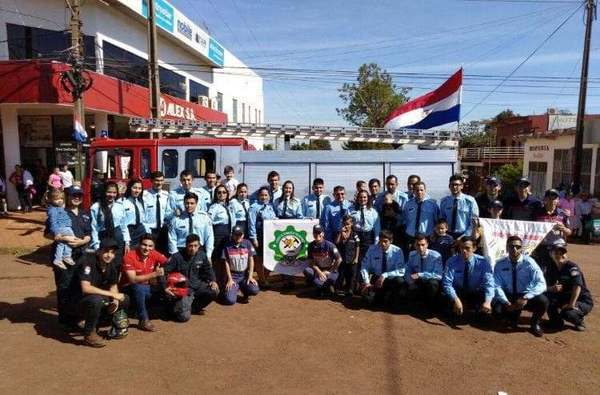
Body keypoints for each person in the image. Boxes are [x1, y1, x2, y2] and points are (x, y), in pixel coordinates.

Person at [76, 238, 130, 347]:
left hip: (99, 298)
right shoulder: (88, 262)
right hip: (80, 301)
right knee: (97, 300)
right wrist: (112, 295)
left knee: (124, 298)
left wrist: (115, 300)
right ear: (99, 251)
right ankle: (89, 333)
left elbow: (113, 286)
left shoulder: (111, 265)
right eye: (106, 251)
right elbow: (86, 288)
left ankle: (115, 327)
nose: (109, 255)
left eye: (112, 252)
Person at [50, 186, 91, 329]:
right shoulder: (59, 211)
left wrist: (83, 241)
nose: (77, 197)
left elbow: (88, 233)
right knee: (64, 287)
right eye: (74, 195)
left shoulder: (85, 213)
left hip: (81, 255)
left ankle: (78, 317)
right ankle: (65, 320)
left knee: (79, 286)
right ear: (67, 196)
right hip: (63, 257)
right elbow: (47, 233)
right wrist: (62, 238)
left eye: (79, 195)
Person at [492, 236, 548, 337]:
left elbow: (541, 284)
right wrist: (505, 302)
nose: (514, 249)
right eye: (511, 246)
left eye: (518, 247)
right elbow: (497, 286)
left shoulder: (530, 263)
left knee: (543, 301)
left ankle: (535, 323)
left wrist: (526, 297)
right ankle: (511, 317)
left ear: (522, 248)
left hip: (525, 296)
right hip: (508, 296)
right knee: (496, 311)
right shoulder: (499, 264)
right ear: (506, 247)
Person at [161, 234, 219, 322]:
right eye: (190, 246)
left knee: (214, 290)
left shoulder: (202, 255)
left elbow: (208, 270)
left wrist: (213, 280)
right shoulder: (177, 257)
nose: (193, 248)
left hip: (197, 285)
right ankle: (174, 308)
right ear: (186, 245)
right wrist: (165, 287)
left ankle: (194, 308)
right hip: (183, 290)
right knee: (184, 317)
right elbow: (163, 272)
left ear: (199, 246)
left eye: (195, 246)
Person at [121, 234, 167, 332]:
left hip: (147, 287)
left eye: (150, 246)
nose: (147, 248)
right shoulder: (129, 256)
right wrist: (154, 274)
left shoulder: (154, 253)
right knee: (139, 287)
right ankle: (143, 320)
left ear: (153, 247)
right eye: (144, 245)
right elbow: (132, 279)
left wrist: (164, 270)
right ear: (139, 245)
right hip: (128, 289)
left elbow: (168, 263)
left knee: (166, 288)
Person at [544, 240, 593, 331]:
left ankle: (578, 320)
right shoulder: (550, 267)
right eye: (556, 253)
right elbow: (543, 285)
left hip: (581, 300)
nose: (560, 255)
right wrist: (551, 288)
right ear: (551, 254)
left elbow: (577, 286)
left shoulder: (572, 267)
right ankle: (556, 322)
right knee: (546, 297)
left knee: (568, 313)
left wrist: (571, 304)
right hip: (563, 297)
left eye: (563, 253)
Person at [442, 237, 494, 321]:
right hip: (458, 292)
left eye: (467, 248)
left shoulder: (483, 262)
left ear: (474, 248)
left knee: (487, 311)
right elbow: (447, 283)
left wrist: (488, 302)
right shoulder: (451, 261)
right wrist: (456, 300)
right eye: (462, 248)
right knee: (446, 301)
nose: (464, 251)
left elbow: (489, 283)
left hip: (475, 291)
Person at [359, 230, 407, 308]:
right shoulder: (372, 249)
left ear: (391, 241)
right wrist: (367, 282)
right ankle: (380, 296)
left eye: (385, 241)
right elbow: (364, 266)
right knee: (368, 301)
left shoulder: (397, 251)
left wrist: (385, 275)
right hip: (377, 279)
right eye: (381, 241)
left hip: (390, 279)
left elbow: (401, 271)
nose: (382, 244)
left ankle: (392, 298)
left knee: (399, 281)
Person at [532, 189, 571, 275]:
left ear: (557, 201)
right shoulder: (536, 213)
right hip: (541, 246)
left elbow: (569, 232)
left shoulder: (562, 214)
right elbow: (531, 230)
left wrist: (564, 229)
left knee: (559, 271)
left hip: (558, 246)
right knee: (541, 272)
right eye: (549, 198)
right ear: (544, 199)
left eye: (554, 199)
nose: (552, 201)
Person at [90, 181, 130, 263]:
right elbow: (94, 228)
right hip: (104, 237)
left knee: (117, 263)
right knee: (103, 263)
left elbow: (123, 225)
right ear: (104, 192)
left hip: (118, 237)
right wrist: (96, 246)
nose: (111, 195)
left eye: (114, 192)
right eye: (109, 192)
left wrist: (127, 242)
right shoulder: (96, 207)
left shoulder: (119, 206)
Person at [168, 192, 214, 257]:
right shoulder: (176, 219)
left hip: (199, 250)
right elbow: (172, 239)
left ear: (196, 204)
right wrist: (175, 255)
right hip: (182, 250)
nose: (189, 206)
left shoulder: (204, 218)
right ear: (184, 203)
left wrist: (209, 254)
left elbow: (209, 237)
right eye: (187, 203)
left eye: (192, 203)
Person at [221, 226, 259, 305]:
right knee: (230, 301)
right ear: (232, 235)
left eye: (240, 234)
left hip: (244, 275)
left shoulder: (247, 243)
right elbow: (226, 262)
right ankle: (227, 291)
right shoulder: (227, 245)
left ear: (243, 235)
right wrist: (230, 279)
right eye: (236, 235)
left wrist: (250, 276)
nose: (238, 237)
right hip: (233, 275)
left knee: (254, 290)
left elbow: (251, 259)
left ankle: (245, 292)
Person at [404, 234, 443, 311]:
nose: (420, 248)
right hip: (418, 282)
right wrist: (410, 282)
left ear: (427, 244)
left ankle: (431, 307)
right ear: (414, 245)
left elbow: (439, 275)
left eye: (423, 245)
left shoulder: (436, 256)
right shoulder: (412, 254)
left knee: (433, 283)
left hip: (430, 283)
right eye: (418, 245)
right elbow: (407, 270)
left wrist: (420, 274)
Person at [248, 187, 277, 287]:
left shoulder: (270, 207)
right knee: (259, 258)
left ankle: (265, 277)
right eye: (262, 195)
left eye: (266, 195)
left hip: (269, 236)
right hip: (259, 235)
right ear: (258, 196)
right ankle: (262, 279)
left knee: (270, 257)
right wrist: (253, 238)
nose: (264, 197)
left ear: (269, 196)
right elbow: (251, 224)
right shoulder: (254, 207)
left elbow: (274, 219)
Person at [303, 224, 342, 296]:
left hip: (329, 269)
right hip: (319, 269)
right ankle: (322, 287)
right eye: (315, 233)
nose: (317, 234)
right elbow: (311, 263)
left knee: (332, 279)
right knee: (308, 271)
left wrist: (330, 271)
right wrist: (319, 272)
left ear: (323, 234)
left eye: (319, 232)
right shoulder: (311, 246)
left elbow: (339, 259)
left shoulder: (330, 245)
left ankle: (327, 286)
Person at [207, 184, 237, 278]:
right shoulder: (213, 207)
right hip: (218, 233)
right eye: (219, 192)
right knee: (217, 258)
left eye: (224, 192)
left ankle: (225, 280)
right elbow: (208, 222)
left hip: (229, 233)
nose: (222, 194)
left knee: (226, 258)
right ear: (216, 194)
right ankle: (215, 280)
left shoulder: (230, 206)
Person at [439, 175, 479, 239]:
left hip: (464, 235)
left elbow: (474, 222)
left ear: (462, 186)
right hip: (447, 235)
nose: (454, 187)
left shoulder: (470, 201)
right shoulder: (444, 201)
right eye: (452, 185)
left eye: (457, 185)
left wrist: (462, 237)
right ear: (449, 186)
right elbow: (442, 220)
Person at [403, 181, 439, 246]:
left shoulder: (432, 205)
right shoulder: (408, 204)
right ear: (413, 191)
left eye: (421, 190)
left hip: (427, 236)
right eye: (417, 190)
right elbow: (405, 219)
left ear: (425, 190)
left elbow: (437, 220)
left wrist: (434, 233)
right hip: (411, 236)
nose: (419, 192)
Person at [47, 190, 76, 269]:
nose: (60, 201)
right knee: (71, 239)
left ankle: (58, 259)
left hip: (64, 227)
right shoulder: (53, 210)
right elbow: (53, 222)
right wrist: (57, 232)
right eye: (56, 199)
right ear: (50, 200)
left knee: (61, 243)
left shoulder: (59, 208)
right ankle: (66, 255)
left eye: (61, 199)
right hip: (63, 227)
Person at [143, 171, 170, 254]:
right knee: (150, 254)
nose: (159, 183)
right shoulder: (145, 195)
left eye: (161, 180)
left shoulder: (167, 195)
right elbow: (143, 214)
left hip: (163, 231)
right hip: (150, 230)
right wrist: (146, 230)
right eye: (157, 180)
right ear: (151, 181)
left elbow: (168, 212)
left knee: (163, 253)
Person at [350, 190, 380, 263]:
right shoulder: (351, 210)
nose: (362, 199)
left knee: (366, 257)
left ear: (368, 198)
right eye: (360, 197)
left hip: (368, 236)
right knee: (355, 257)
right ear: (357, 198)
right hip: (356, 235)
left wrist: (376, 239)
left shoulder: (373, 211)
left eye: (364, 197)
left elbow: (377, 226)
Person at [335, 215, 361, 296]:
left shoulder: (355, 234)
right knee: (342, 274)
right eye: (345, 224)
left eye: (348, 224)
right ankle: (338, 289)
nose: (346, 226)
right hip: (343, 259)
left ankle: (351, 290)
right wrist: (340, 232)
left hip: (352, 258)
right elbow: (337, 242)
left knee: (353, 275)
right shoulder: (340, 233)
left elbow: (357, 246)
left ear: (351, 224)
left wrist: (356, 258)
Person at [122, 178, 151, 249]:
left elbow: (144, 219)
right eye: (134, 188)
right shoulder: (123, 202)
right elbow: (123, 224)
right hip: (130, 232)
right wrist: (127, 241)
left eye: (139, 188)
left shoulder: (141, 202)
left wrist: (148, 233)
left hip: (141, 231)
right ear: (129, 188)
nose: (137, 191)